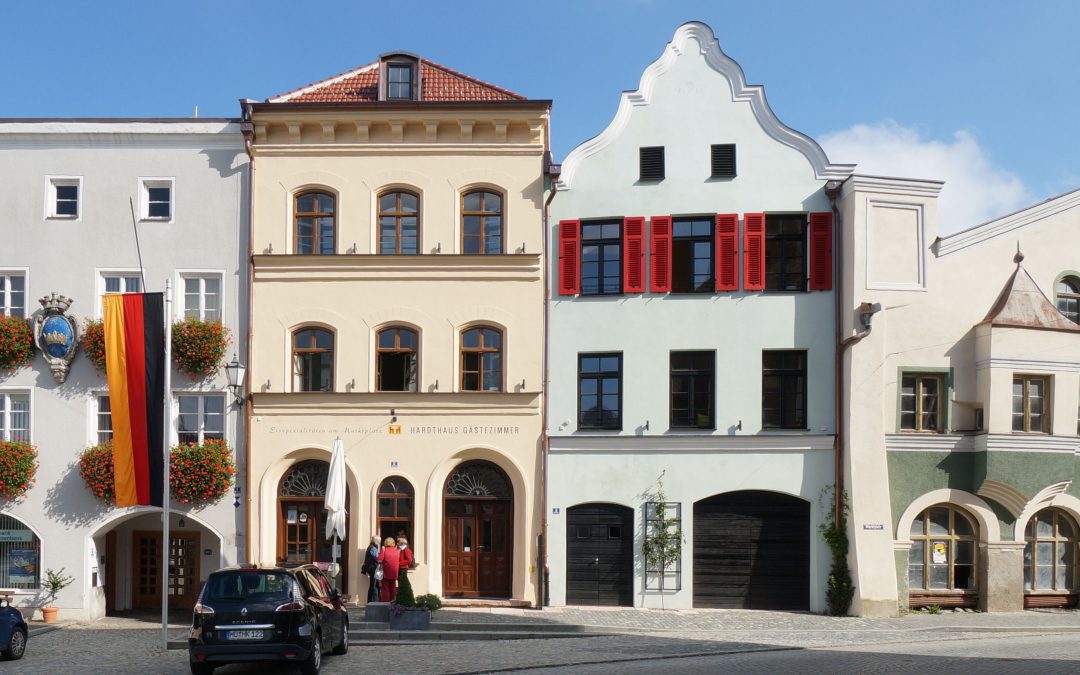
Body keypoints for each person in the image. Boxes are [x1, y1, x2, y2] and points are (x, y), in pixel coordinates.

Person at [376, 536, 400, 602]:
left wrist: (381, 551)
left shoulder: (384, 549)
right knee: (393, 588)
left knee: (385, 588)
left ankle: (385, 602)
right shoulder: (397, 550)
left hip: (386, 571)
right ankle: (393, 601)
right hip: (394, 571)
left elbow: (379, 559)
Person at [362, 535, 380, 603]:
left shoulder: (371, 547)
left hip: (371, 568)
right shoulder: (373, 548)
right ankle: (371, 601)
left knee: (375, 585)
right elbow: (376, 558)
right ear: (376, 541)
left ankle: (375, 601)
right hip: (373, 569)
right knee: (373, 585)